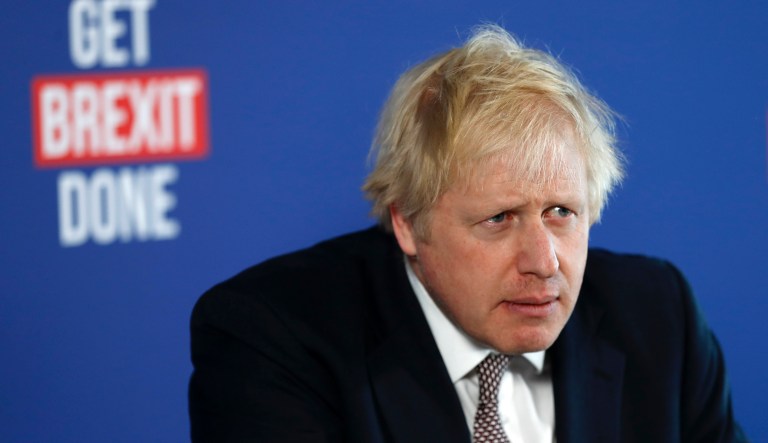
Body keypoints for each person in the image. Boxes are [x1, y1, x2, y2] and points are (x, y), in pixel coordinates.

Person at [189, 25, 745, 442]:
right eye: (500, 219)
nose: (544, 262)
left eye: (561, 213)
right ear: (407, 222)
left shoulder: (658, 319)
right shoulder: (273, 341)